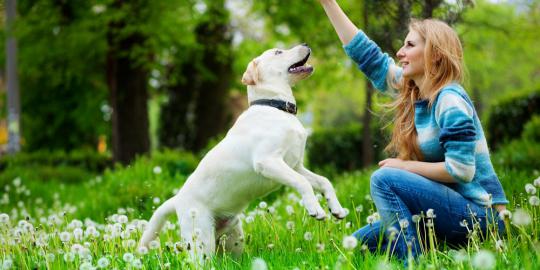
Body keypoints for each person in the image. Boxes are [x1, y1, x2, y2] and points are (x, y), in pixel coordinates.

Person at [318, 0, 508, 261]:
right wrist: (328, 3)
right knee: (359, 244)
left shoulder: (450, 100)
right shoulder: (416, 92)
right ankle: (423, 246)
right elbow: (369, 58)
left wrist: (404, 167)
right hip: (444, 210)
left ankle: (413, 263)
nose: (399, 52)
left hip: (479, 218)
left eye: (410, 45)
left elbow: (462, 170)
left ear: (435, 53)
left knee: (383, 178)